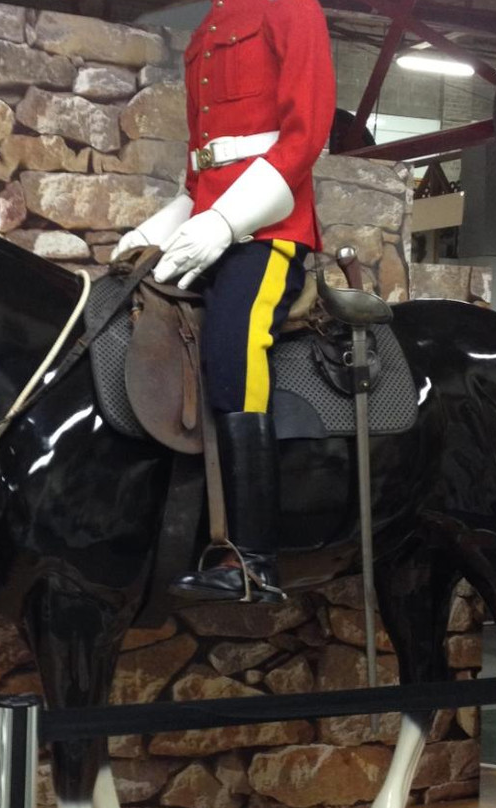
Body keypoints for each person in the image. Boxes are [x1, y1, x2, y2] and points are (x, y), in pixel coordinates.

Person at [112, 0, 335, 603]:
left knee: (230, 345)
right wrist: (153, 232)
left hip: (268, 230)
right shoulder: (209, 27)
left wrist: (229, 222)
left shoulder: (293, 8)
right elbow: (202, 169)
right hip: (210, 219)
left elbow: (304, 136)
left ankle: (254, 560)